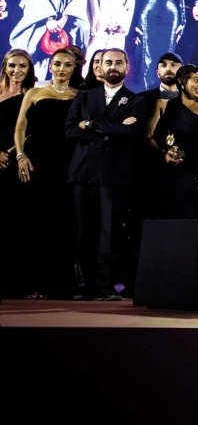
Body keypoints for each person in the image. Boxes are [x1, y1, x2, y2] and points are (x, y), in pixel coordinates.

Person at [65, 48, 147, 300]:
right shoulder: (84, 97)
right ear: (99, 65)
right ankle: (85, 285)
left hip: (114, 175)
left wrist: (89, 125)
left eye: (118, 62)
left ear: (127, 66)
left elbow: (129, 134)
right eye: (108, 62)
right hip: (82, 171)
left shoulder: (136, 100)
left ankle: (105, 286)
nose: (113, 66)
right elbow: (70, 131)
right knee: (83, 231)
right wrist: (113, 129)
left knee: (109, 232)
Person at [7, 48, 71, 299]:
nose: (61, 69)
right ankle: (29, 285)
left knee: (59, 226)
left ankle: (56, 286)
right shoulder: (34, 93)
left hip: (66, 166)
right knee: (33, 223)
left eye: (67, 64)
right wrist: (21, 155)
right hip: (35, 163)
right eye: (57, 64)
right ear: (50, 66)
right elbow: (20, 126)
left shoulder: (80, 96)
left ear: (73, 68)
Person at [146, 63, 198, 220]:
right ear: (182, 81)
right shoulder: (161, 105)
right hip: (164, 174)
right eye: (196, 80)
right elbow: (149, 137)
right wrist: (164, 153)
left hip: (192, 176)